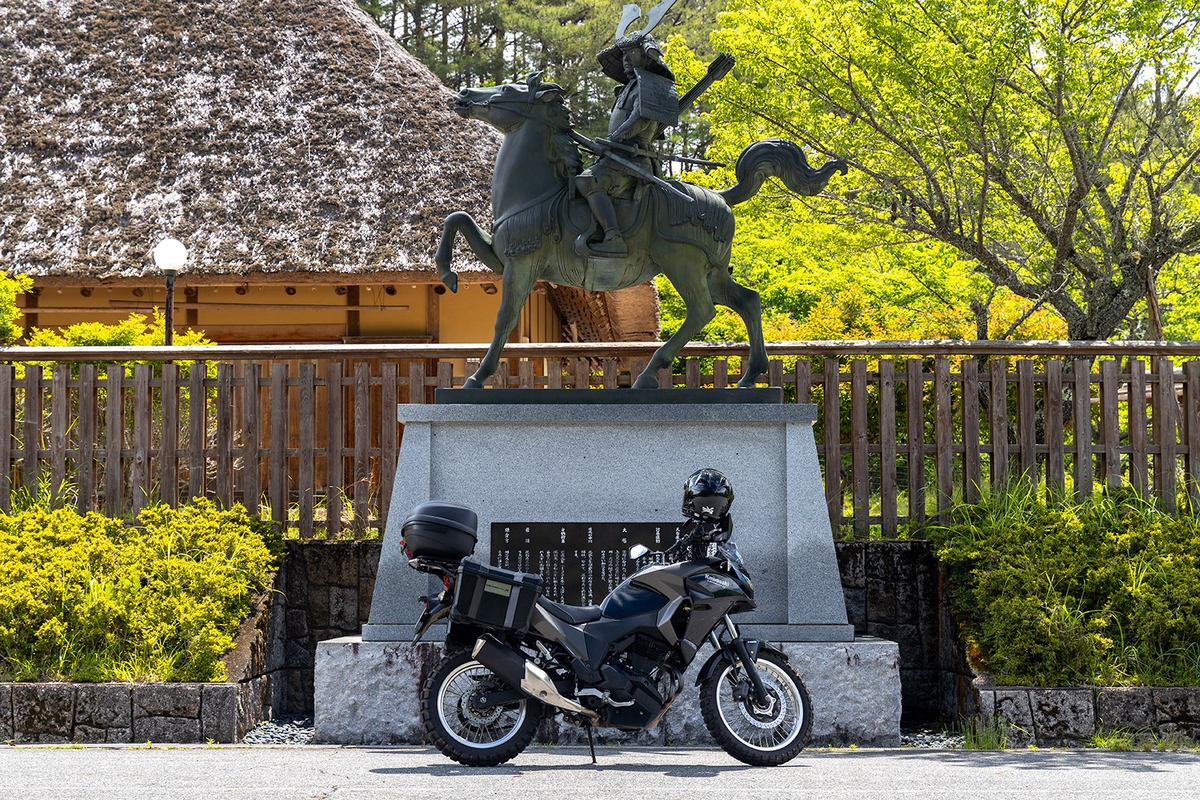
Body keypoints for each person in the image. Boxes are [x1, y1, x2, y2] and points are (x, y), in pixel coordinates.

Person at [575, 33, 677, 257]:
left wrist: (612, 142)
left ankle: (613, 237)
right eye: (623, 54)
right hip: (618, 156)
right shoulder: (629, 87)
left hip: (634, 159)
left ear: (647, 56)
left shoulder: (648, 85)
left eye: (632, 53)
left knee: (587, 180)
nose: (626, 59)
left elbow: (639, 120)